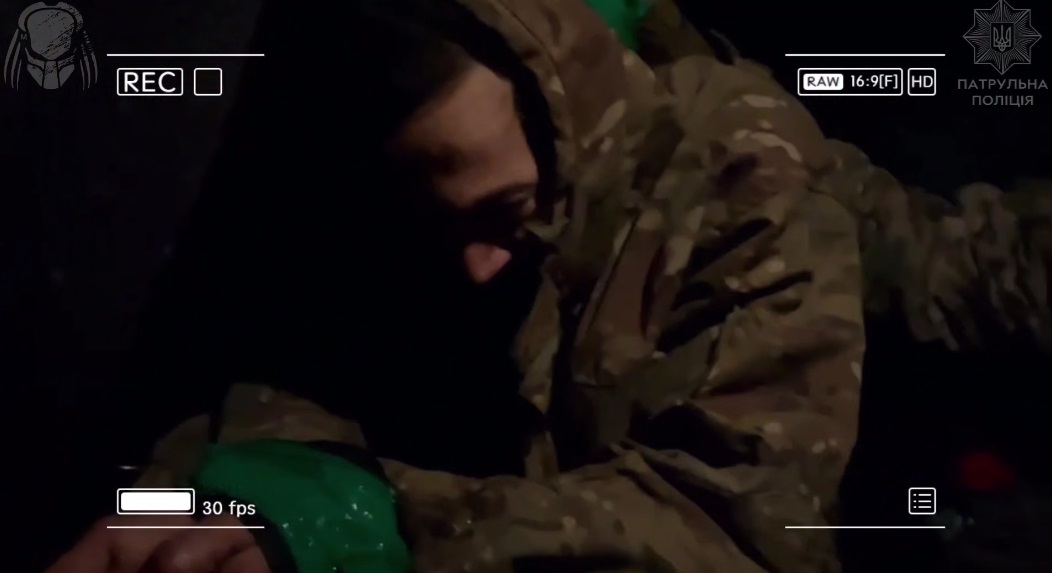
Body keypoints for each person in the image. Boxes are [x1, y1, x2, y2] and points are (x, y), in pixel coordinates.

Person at [45, 0, 1051, 572]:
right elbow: (302, 366)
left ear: (558, 116)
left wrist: (358, 528)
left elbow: (737, 526)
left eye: (504, 213)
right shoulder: (374, 157)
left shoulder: (738, 169)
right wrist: (232, 498)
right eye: (438, 226)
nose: (475, 268)